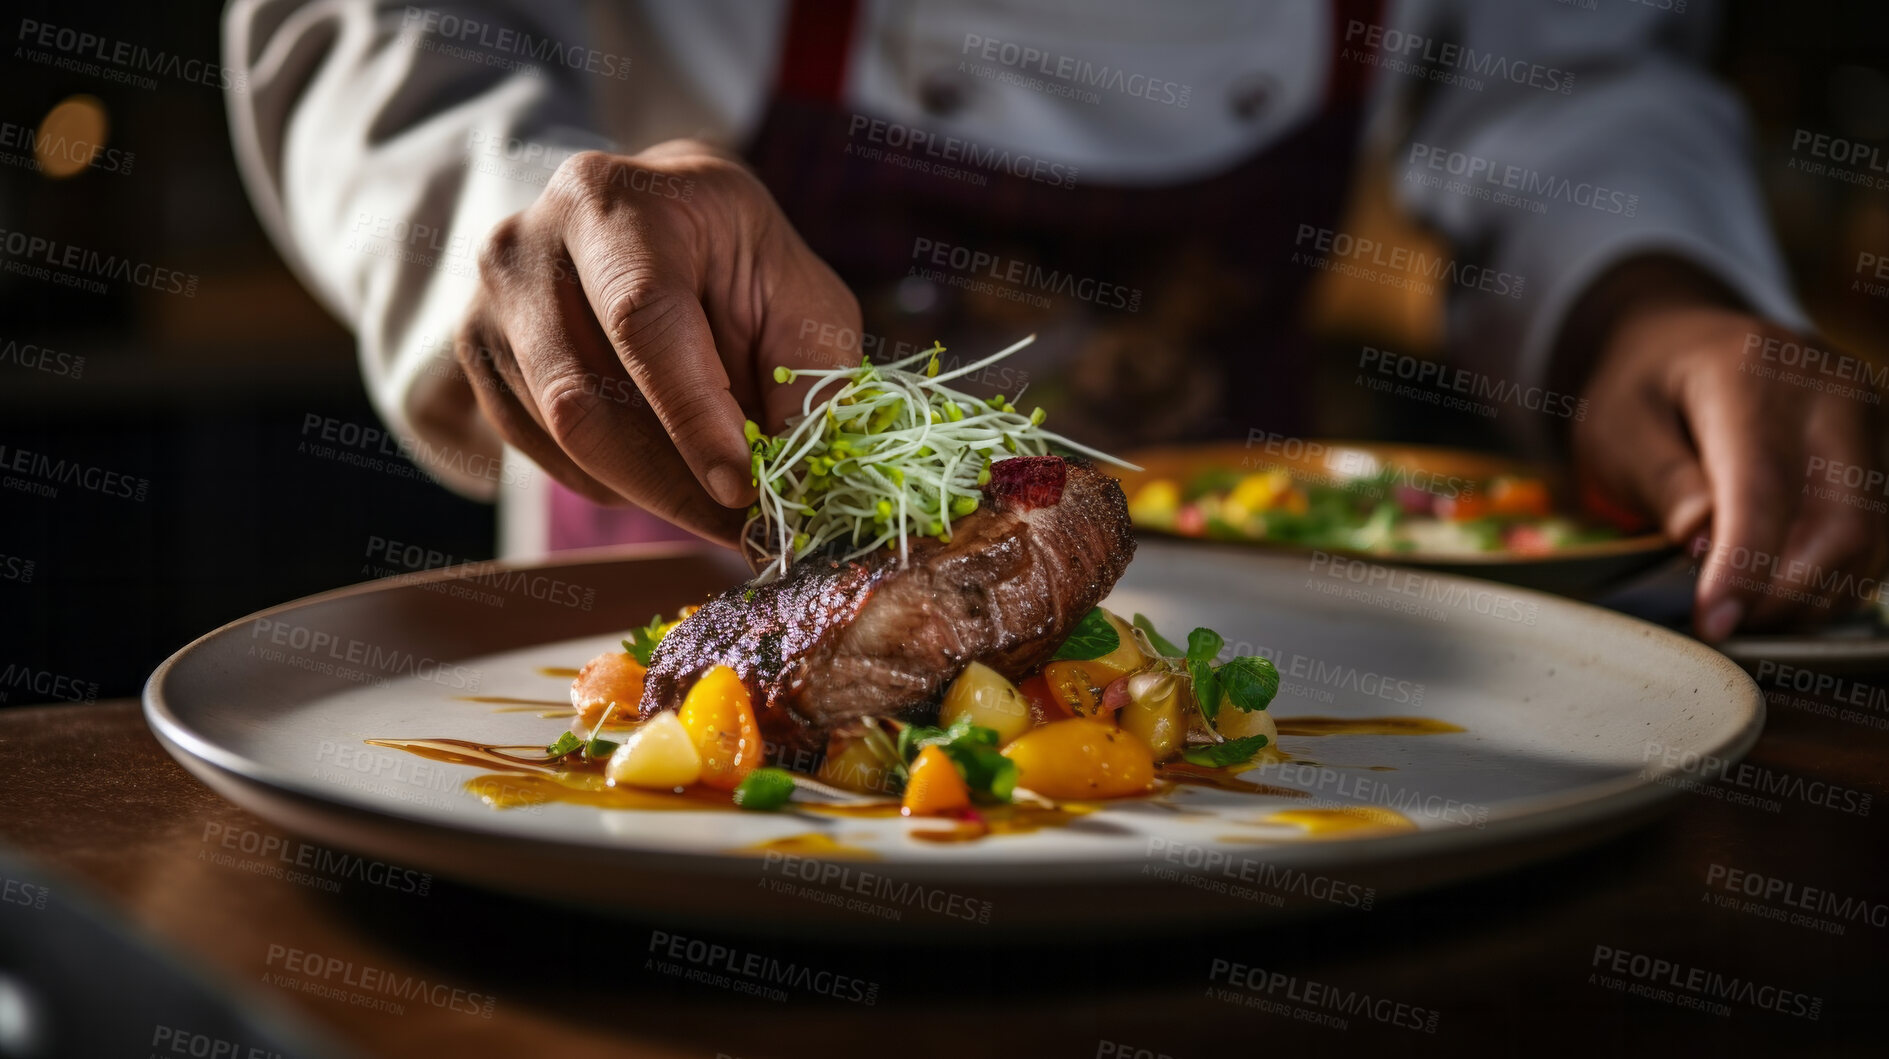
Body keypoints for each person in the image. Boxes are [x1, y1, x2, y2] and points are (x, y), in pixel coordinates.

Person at [225, 0, 1885, 641]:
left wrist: (1649, 300)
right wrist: (508, 202)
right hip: (653, 584)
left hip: (1259, 675)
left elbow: (1569, 68)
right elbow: (381, 37)